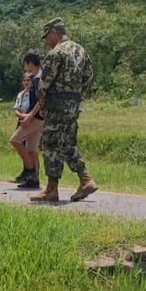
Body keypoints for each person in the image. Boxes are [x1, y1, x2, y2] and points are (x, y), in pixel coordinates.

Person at [22, 18, 98, 202]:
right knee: (67, 143)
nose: (47, 41)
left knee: (50, 143)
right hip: (73, 104)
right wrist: (76, 94)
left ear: (54, 32)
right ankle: (86, 179)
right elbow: (89, 75)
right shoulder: (80, 51)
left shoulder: (56, 53)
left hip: (56, 105)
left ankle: (51, 189)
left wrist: (41, 103)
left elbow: (45, 83)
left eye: (47, 36)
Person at [9, 70, 43, 189]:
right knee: (31, 150)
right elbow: (17, 109)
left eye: (29, 80)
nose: (27, 82)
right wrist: (25, 117)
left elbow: (39, 106)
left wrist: (29, 117)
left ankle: (30, 169)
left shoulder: (36, 92)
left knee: (15, 140)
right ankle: (34, 180)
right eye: (25, 80)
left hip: (34, 120)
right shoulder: (21, 94)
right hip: (25, 120)